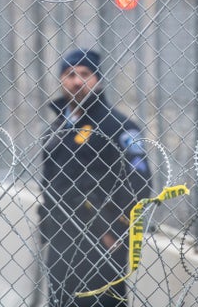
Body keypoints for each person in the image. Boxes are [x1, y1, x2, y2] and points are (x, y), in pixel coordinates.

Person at [38, 49, 152, 307]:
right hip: (60, 241)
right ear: (61, 80)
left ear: (97, 80)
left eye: (85, 74)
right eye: (70, 74)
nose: (77, 81)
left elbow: (139, 183)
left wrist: (116, 232)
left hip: (99, 241)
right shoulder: (56, 131)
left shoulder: (118, 127)